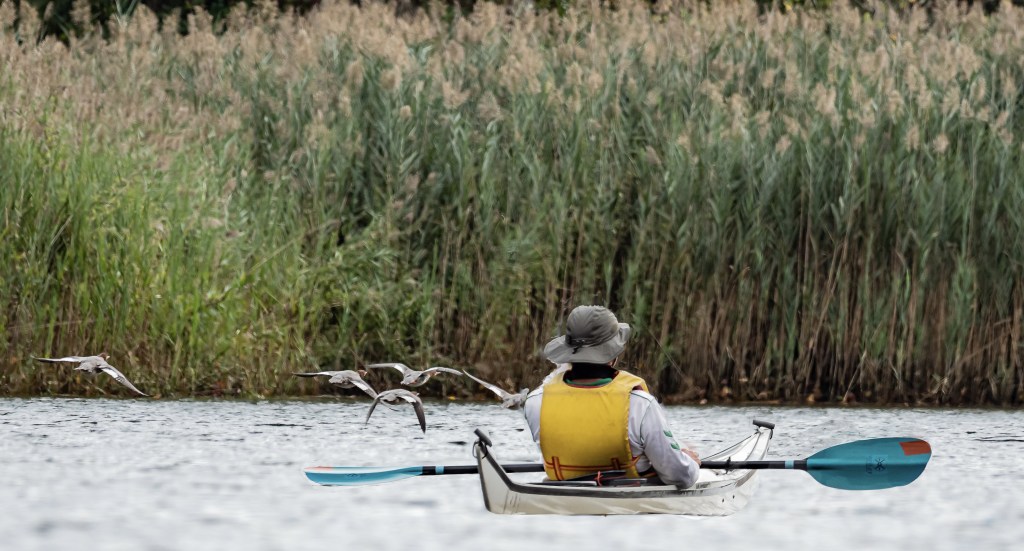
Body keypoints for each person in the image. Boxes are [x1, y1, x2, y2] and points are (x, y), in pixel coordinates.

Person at [522, 305, 701, 487]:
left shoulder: (536, 402)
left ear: (569, 352)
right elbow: (680, 477)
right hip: (631, 501)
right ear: (612, 354)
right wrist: (691, 462)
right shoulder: (640, 404)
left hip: (560, 496)